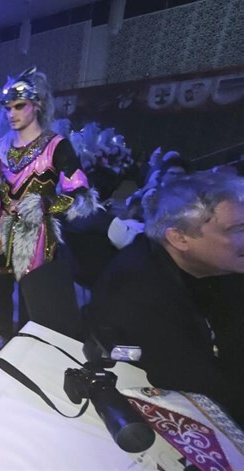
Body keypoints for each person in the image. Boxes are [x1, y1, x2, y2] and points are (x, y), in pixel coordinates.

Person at [86, 172, 244, 426]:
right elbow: (207, 399)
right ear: (179, 238)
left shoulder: (218, 266)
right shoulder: (138, 298)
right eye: (236, 229)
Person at [0, 67, 99, 355]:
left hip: (37, 237)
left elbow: (80, 195)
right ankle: (4, 342)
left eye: (19, 106)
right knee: (0, 294)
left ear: (37, 104)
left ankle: (30, 352)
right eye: (8, 107)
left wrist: (42, 204)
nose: (11, 113)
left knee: (33, 300)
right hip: (0, 234)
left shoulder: (56, 146)